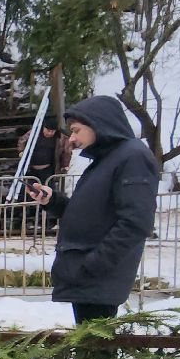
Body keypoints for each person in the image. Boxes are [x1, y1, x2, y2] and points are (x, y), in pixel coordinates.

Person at [24, 95, 158, 323]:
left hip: (99, 278)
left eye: (76, 130)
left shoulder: (132, 157)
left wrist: (95, 264)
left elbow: (136, 221)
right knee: (91, 352)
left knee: (96, 353)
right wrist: (53, 201)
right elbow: (90, 214)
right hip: (90, 277)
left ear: (98, 122)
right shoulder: (107, 159)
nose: (72, 138)